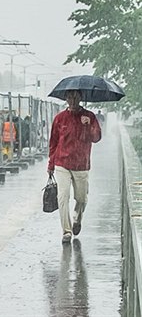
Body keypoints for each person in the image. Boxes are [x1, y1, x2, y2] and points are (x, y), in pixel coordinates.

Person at [47, 90, 101, 244]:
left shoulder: (89, 117)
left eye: (75, 97)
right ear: (66, 99)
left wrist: (89, 126)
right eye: (70, 97)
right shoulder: (60, 119)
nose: (72, 100)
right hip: (62, 163)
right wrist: (51, 164)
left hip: (81, 164)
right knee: (62, 197)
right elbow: (53, 143)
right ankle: (66, 231)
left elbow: (97, 137)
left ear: (80, 98)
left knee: (81, 198)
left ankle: (77, 219)